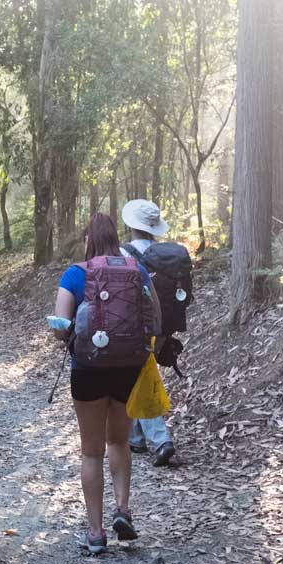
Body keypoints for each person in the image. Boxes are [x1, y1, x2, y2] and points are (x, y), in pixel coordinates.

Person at [52, 212, 160, 554]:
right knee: (119, 442)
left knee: (90, 451)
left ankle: (96, 532)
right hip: (128, 368)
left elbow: (59, 327)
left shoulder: (75, 274)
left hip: (87, 369)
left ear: (89, 240)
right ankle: (123, 509)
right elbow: (155, 318)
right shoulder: (136, 271)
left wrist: (74, 336)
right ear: (117, 239)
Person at [119, 199, 178, 467]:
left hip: (135, 326)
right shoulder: (164, 253)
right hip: (162, 326)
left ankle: (161, 440)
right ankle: (136, 438)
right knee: (138, 376)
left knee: (139, 378)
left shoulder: (123, 253)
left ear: (131, 225)